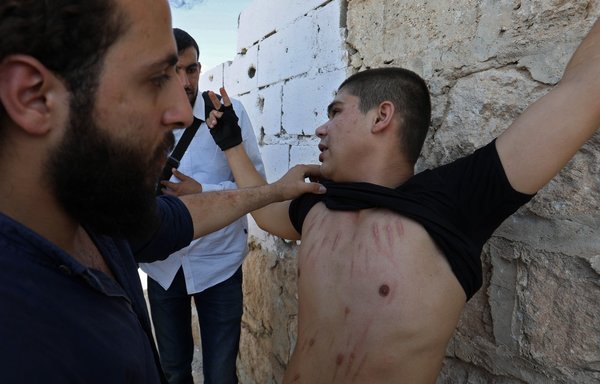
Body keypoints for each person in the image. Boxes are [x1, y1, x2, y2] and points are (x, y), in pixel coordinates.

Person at [202, 16, 600, 384]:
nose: (321, 129)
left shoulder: (455, 202)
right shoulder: (319, 200)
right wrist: (232, 144)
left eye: (336, 112)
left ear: (381, 117)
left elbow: (584, 90)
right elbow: (270, 214)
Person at [0, 1, 324, 383]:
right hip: (166, 273)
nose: (183, 113)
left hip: (216, 265)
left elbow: (186, 216)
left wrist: (273, 191)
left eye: (188, 70)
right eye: (156, 78)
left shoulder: (111, 227)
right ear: (33, 96)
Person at [139, 28, 265, 384]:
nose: (185, 80)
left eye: (191, 69)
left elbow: (255, 186)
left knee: (222, 374)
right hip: (163, 266)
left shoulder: (228, 113)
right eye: (173, 71)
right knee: (173, 371)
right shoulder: (140, 118)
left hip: (218, 262)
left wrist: (202, 191)